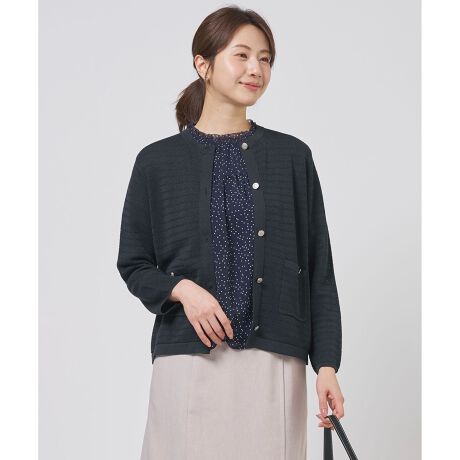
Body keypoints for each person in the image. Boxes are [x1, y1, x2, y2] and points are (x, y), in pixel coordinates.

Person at [116, 6, 345, 460]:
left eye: (265, 59)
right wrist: (183, 290)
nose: (256, 69)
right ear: (202, 64)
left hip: (274, 365)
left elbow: (318, 271)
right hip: (188, 362)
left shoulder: (292, 158)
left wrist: (327, 365)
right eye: (242, 55)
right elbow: (134, 263)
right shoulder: (157, 162)